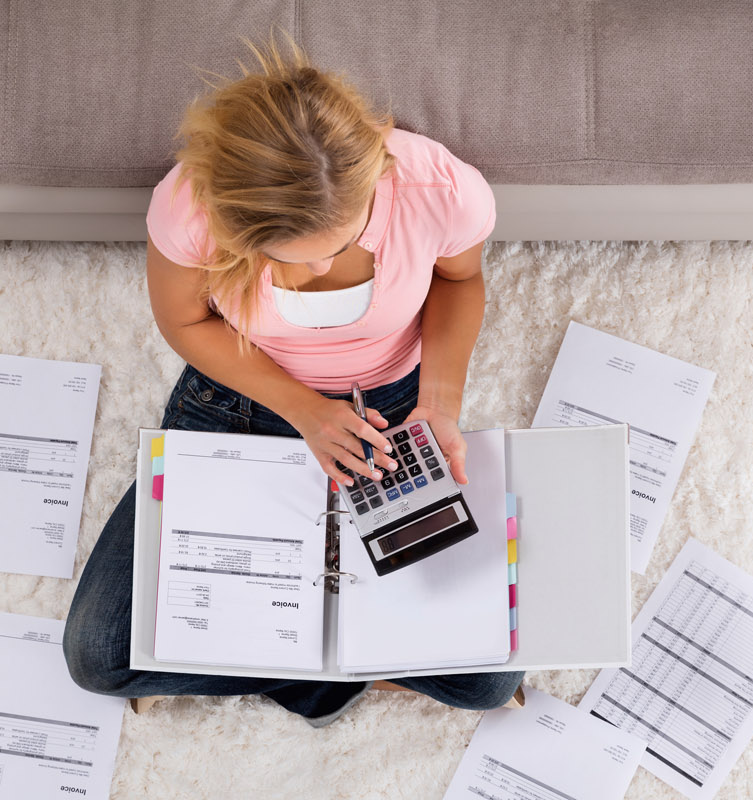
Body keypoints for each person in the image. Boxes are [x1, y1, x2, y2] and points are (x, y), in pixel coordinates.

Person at [62, 38, 523, 727]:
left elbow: (462, 280)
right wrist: (304, 409)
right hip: (240, 399)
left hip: (391, 409)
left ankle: (271, 657)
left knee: (491, 680)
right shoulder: (189, 208)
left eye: (339, 248)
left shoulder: (440, 190)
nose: (316, 274)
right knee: (96, 657)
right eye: (287, 261)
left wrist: (440, 401)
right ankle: (349, 669)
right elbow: (187, 324)